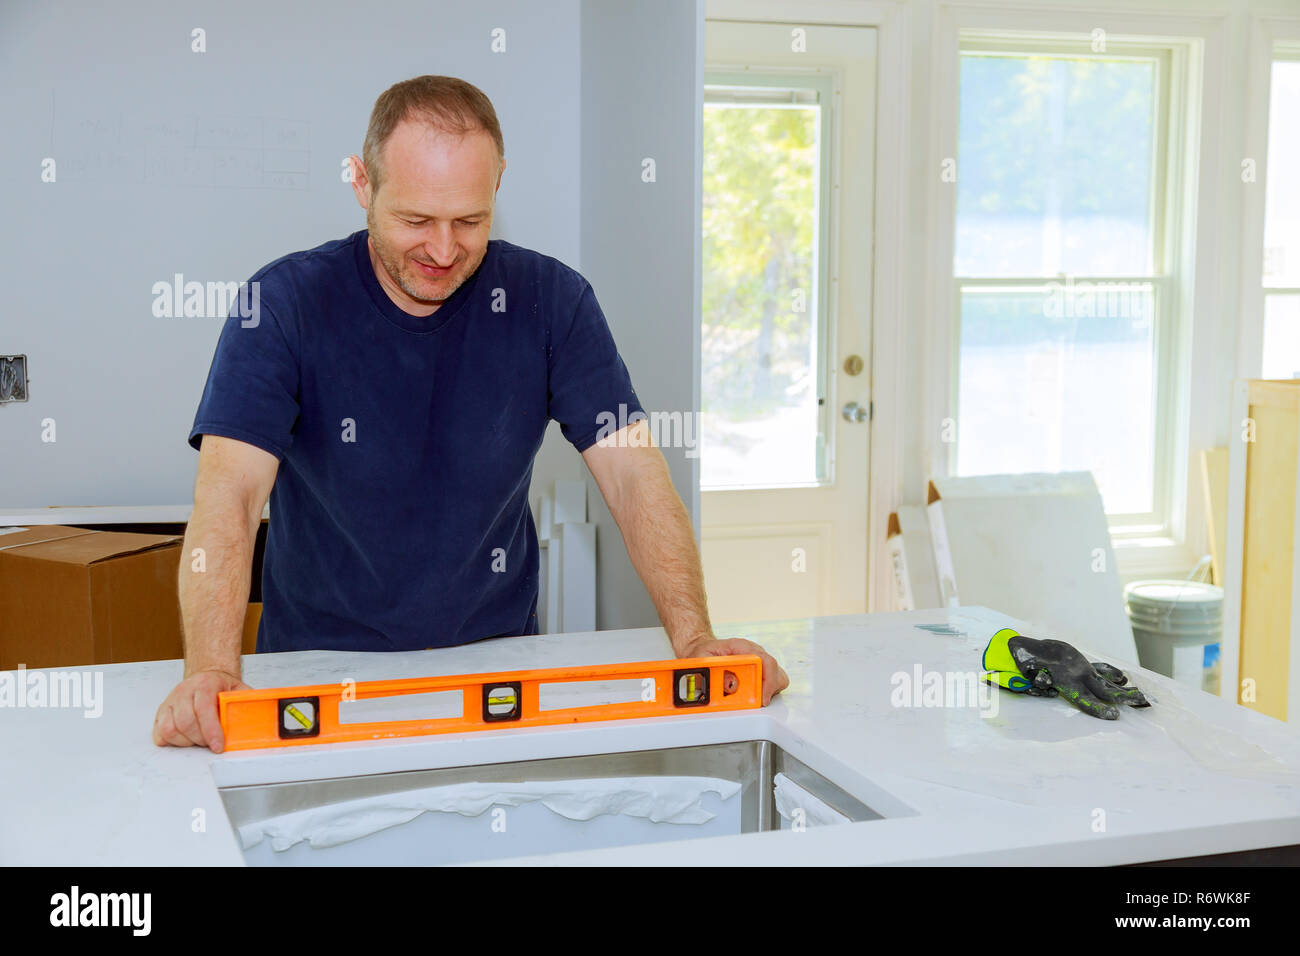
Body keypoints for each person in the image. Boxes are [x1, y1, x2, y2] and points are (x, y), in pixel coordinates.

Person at [153, 75, 788, 751]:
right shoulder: (284, 304)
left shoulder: (553, 302)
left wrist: (695, 639)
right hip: (317, 674)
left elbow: (633, 477)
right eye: (416, 221)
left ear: (498, 185)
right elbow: (229, 495)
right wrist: (213, 671)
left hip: (497, 673)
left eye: (470, 220)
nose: (444, 249)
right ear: (364, 187)